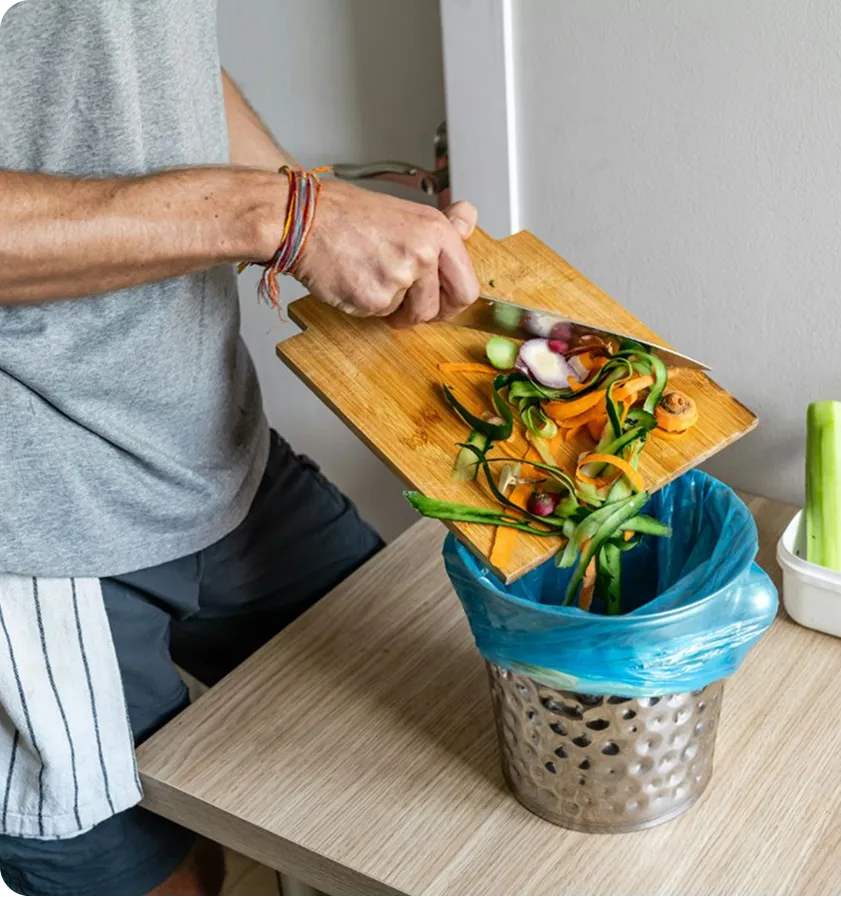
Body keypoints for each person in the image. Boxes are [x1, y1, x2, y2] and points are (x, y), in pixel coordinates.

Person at [0, 1, 481, 893]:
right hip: (34, 522)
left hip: (217, 445)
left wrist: (323, 212)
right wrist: (287, 215)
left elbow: (141, 54)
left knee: (431, 745)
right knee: (174, 877)